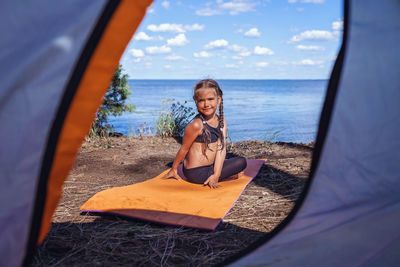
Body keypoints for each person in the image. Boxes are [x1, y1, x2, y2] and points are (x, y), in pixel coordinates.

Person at [161, 79, 247, 189]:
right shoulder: (196, 125)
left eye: (210, 99)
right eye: (201, 100)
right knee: (237, 167)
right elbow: (184, 148)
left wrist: (216, 175)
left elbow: (221, 149)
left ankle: (216, 176)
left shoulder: (221, 121)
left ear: (219, 99)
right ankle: (224, 176)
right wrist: (173, 169)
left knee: (241, 161)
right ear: (196, 102)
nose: (206, 104)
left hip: (210, 167)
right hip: (195, 173)